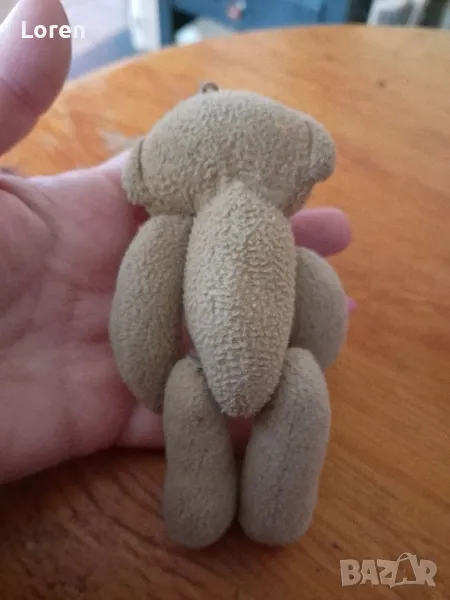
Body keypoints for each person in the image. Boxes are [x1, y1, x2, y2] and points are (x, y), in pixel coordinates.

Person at [0, 0, 353, 484]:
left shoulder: (171, 220)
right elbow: (142, 315)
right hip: (198, 380)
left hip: (226, 375)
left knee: (268, 386)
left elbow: (142, 323)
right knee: (214, 392)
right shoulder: (167, 231)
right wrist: (152, 384)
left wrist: (150, 385)